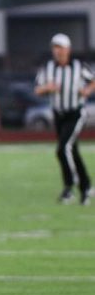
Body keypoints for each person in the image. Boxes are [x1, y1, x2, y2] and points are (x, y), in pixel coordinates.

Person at [34, 33, 95, 204]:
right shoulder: (48, 68)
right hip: (58, 114)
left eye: (60, 47)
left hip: (75, 112)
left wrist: (87, 91)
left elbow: (93, 80)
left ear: (68, 49)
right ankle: (86, 187)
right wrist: (48, 88)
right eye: (55, 47)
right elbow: (37, 90)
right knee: (72, 151)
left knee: (62, 149)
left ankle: (70, 186)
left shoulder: (78, 66)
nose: (57, 51)